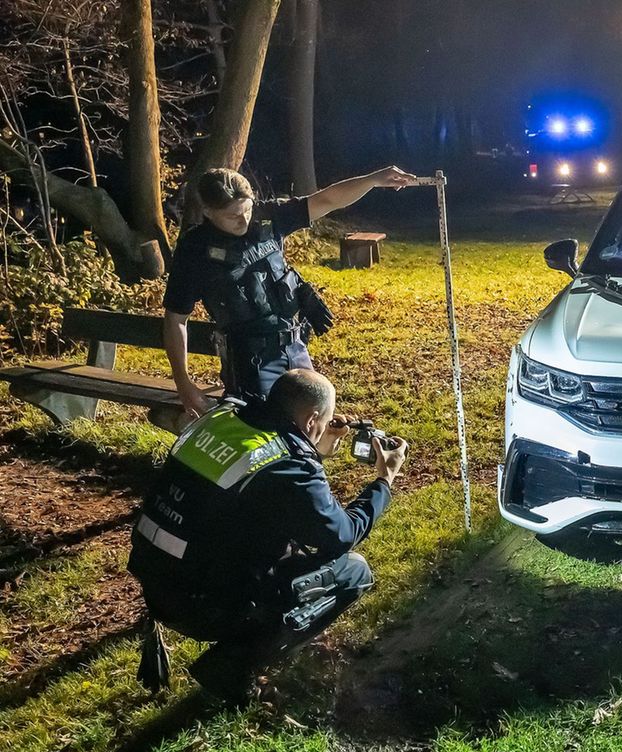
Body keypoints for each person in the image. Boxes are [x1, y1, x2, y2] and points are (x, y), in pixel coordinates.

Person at [127, 368, 408, 702]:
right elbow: (339, 534)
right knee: (353, 571)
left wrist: (316, 445)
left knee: (270, 548)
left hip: (155, 580)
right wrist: (384, 481)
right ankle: (232, 664)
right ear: (311, 419)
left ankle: (238, 639)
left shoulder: (224, 419)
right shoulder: (288, 463)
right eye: (323, 422)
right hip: (200, 605)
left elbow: (262, 486)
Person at [163, 166, 420, 415]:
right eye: (232, 215)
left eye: (247, 210)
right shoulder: (195, 249)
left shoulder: (269, 216)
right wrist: (184, 384)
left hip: (295, 348)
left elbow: (328, 199)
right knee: (265, 435)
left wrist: (372, 180)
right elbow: (176, 320)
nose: (244, 220)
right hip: (249, 360)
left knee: (314, 422)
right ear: (208, 212)